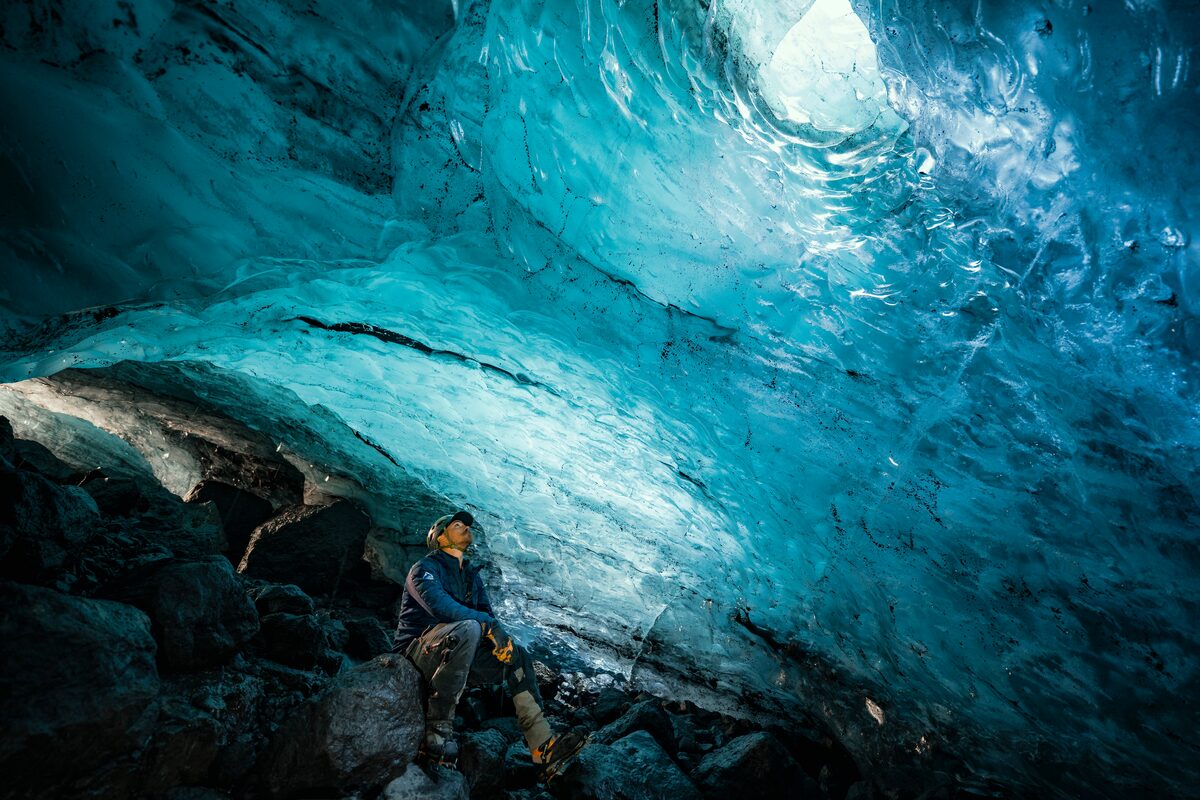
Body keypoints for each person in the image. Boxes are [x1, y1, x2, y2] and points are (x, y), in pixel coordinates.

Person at [394, 510, 586, 774]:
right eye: (458, 525)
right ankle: (436, 732)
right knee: (471, 627)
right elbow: (441, 607)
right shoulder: (424, 569)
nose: (466, 528)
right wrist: (487, 626)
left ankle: (543, 747)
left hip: (456, 653)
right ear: (439, 537)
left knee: (517, 655)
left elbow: (488, 616)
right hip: (415, 656)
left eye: (468, 526)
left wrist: (500, 641)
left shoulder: (471, 577)